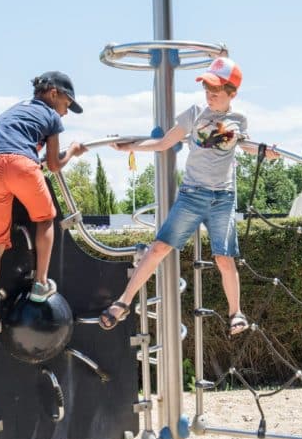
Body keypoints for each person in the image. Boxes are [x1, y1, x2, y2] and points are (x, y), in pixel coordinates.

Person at [100, 57, 277, 336]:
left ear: (233, 93)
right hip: (193, 194)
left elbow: (247, 146)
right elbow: (163, 143)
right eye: (207, 89)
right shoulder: (194, 113)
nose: (209, 96)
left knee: (224, 258)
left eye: (216, 91)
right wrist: (129, 147)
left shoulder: (238, 120)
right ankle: (123, 301)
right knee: (159, 247)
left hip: (223, 197)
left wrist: (267, 151)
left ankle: (236, 313)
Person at [0, 71, 87, 337]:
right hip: (22, 165)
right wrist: (72, 151)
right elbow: (54, 165)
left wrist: (0, 160)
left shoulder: (11, 111)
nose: (65, 112)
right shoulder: (51, 116)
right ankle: (41, 283)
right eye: (67, 104)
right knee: (46, 218)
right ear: (53, 93)